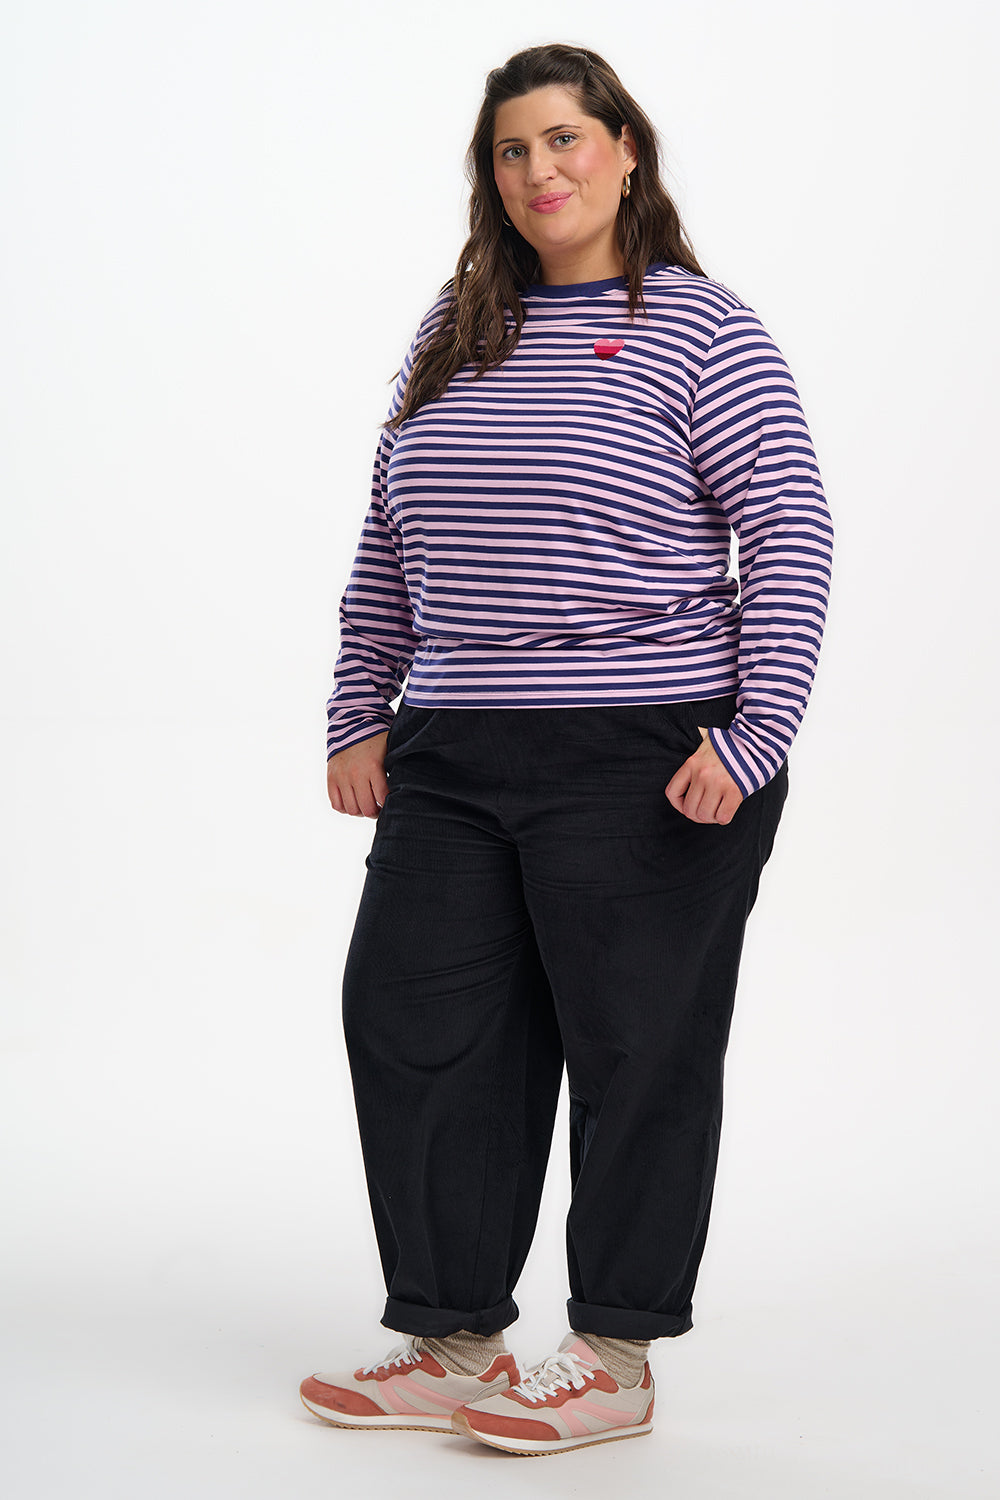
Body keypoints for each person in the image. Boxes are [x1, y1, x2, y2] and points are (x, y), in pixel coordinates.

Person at [299, 42, 833, 1457]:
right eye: (511, 150)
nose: (540, 170)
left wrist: (755, 733)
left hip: (648, 746)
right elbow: (390, 539)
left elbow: (789, 533)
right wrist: (361, 708)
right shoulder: (454, 325)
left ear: (625, 152)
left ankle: (613, 1354)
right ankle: (457, 1332)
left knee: (637, 1044)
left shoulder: (703, 329)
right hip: (456, 748)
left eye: (564, 141)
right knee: (412, 1022)